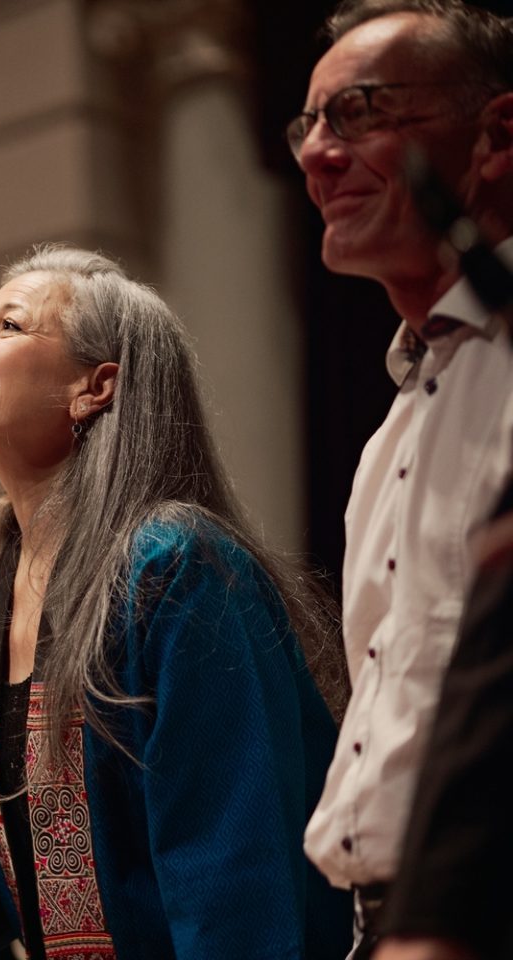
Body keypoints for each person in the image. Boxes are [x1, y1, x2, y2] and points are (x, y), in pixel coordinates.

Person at [0, 246, 350, 959]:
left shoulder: (175, 564)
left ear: (95, 388)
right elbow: (14, 884)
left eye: (10, 325)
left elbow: (233, 870)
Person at [288, 3, 513, 956]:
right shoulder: (394, 431)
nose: (316, 156)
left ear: (498, 134)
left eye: (361, 113)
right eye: (307, 125)